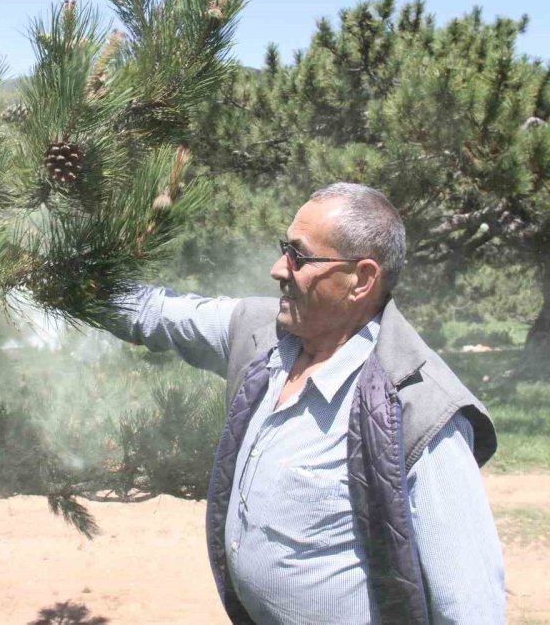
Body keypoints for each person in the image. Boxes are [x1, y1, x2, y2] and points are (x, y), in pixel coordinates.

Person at [105, 182, 505, 624]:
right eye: (284, 249)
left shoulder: (420, 409)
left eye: (299, 256)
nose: (279, 269)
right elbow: (159, 314)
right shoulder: (261, 334)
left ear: (362, 279)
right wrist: (72, 281)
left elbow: (470, 610)